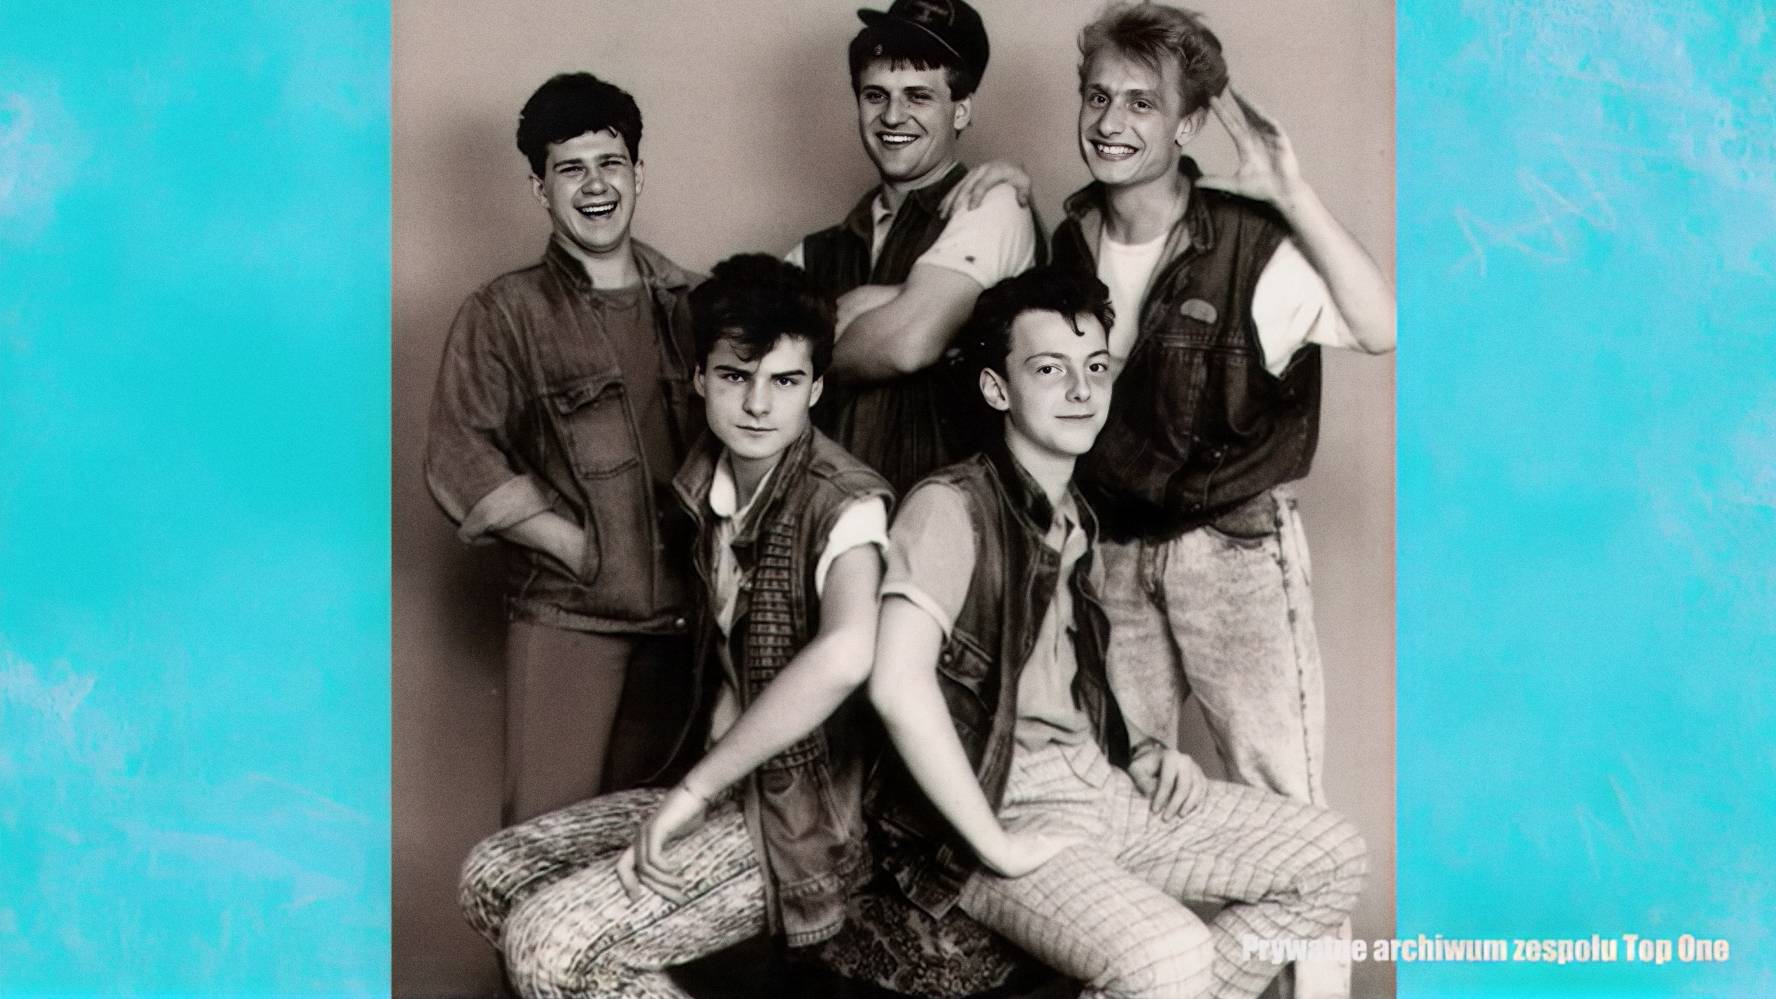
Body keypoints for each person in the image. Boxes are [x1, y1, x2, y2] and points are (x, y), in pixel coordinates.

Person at [866, 265, 1366, 999]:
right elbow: (896, 683)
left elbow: (1066, 676)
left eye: (1095, 367)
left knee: (1332, 855)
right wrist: (995, 843)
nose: (1081, 390)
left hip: (1094, 785)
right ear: (997, 389)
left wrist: (1145, 753)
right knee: (1172, 956)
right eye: (1049, 369)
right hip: (1000, 805)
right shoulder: (952, 506)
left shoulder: (1077, 514)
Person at [458, 255, 892, 997]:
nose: (758, 404)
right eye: (734, 376)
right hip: (731, 791)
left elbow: (849, 652)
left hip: (808, 821)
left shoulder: (843, 502)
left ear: (817, 389)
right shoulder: (706, 484)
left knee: (547, 946)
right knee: (492, 875)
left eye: (786, 381)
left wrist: (690, 794)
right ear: (699, 378)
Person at [424, 73, 703, 824]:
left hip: (689, 632)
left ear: (638, 172)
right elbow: (457, 454)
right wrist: (576, 548)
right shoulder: (504, 313)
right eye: (570, 169)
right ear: (539, 189)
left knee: (659, 852)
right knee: (546, 848)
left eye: (610, 163)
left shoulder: (697, 303)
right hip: (571, 623)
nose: (595, 185)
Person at [787, 0, 1039, 495]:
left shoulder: (993, 203)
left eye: (918, 96)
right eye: (875, 95)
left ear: (961, 110)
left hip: (950, 521)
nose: (892, 116)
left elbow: (909, 344)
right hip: (829, 520)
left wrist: (800, 354)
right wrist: (905, 295)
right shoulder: (812, 253)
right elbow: (751, 370)